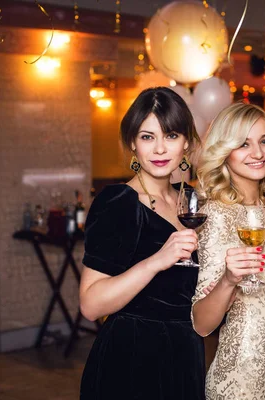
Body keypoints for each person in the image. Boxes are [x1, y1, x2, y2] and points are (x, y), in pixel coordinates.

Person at [79, 87, 205, 400]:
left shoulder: (192, 202)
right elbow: (90, 305)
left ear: (186, 142)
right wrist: (155, 262)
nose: (160, 149)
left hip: (185, 352)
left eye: (171, 135)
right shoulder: (118, 203)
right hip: (132, 356)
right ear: (133, 143)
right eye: (148, 137)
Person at [191, 103, 265, 400]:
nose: (258, 153)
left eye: (264, 141)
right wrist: (227, 280)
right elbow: (201, 324)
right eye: (243, 144)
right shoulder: (215, 216)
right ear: (224, 151)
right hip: (242, 381)